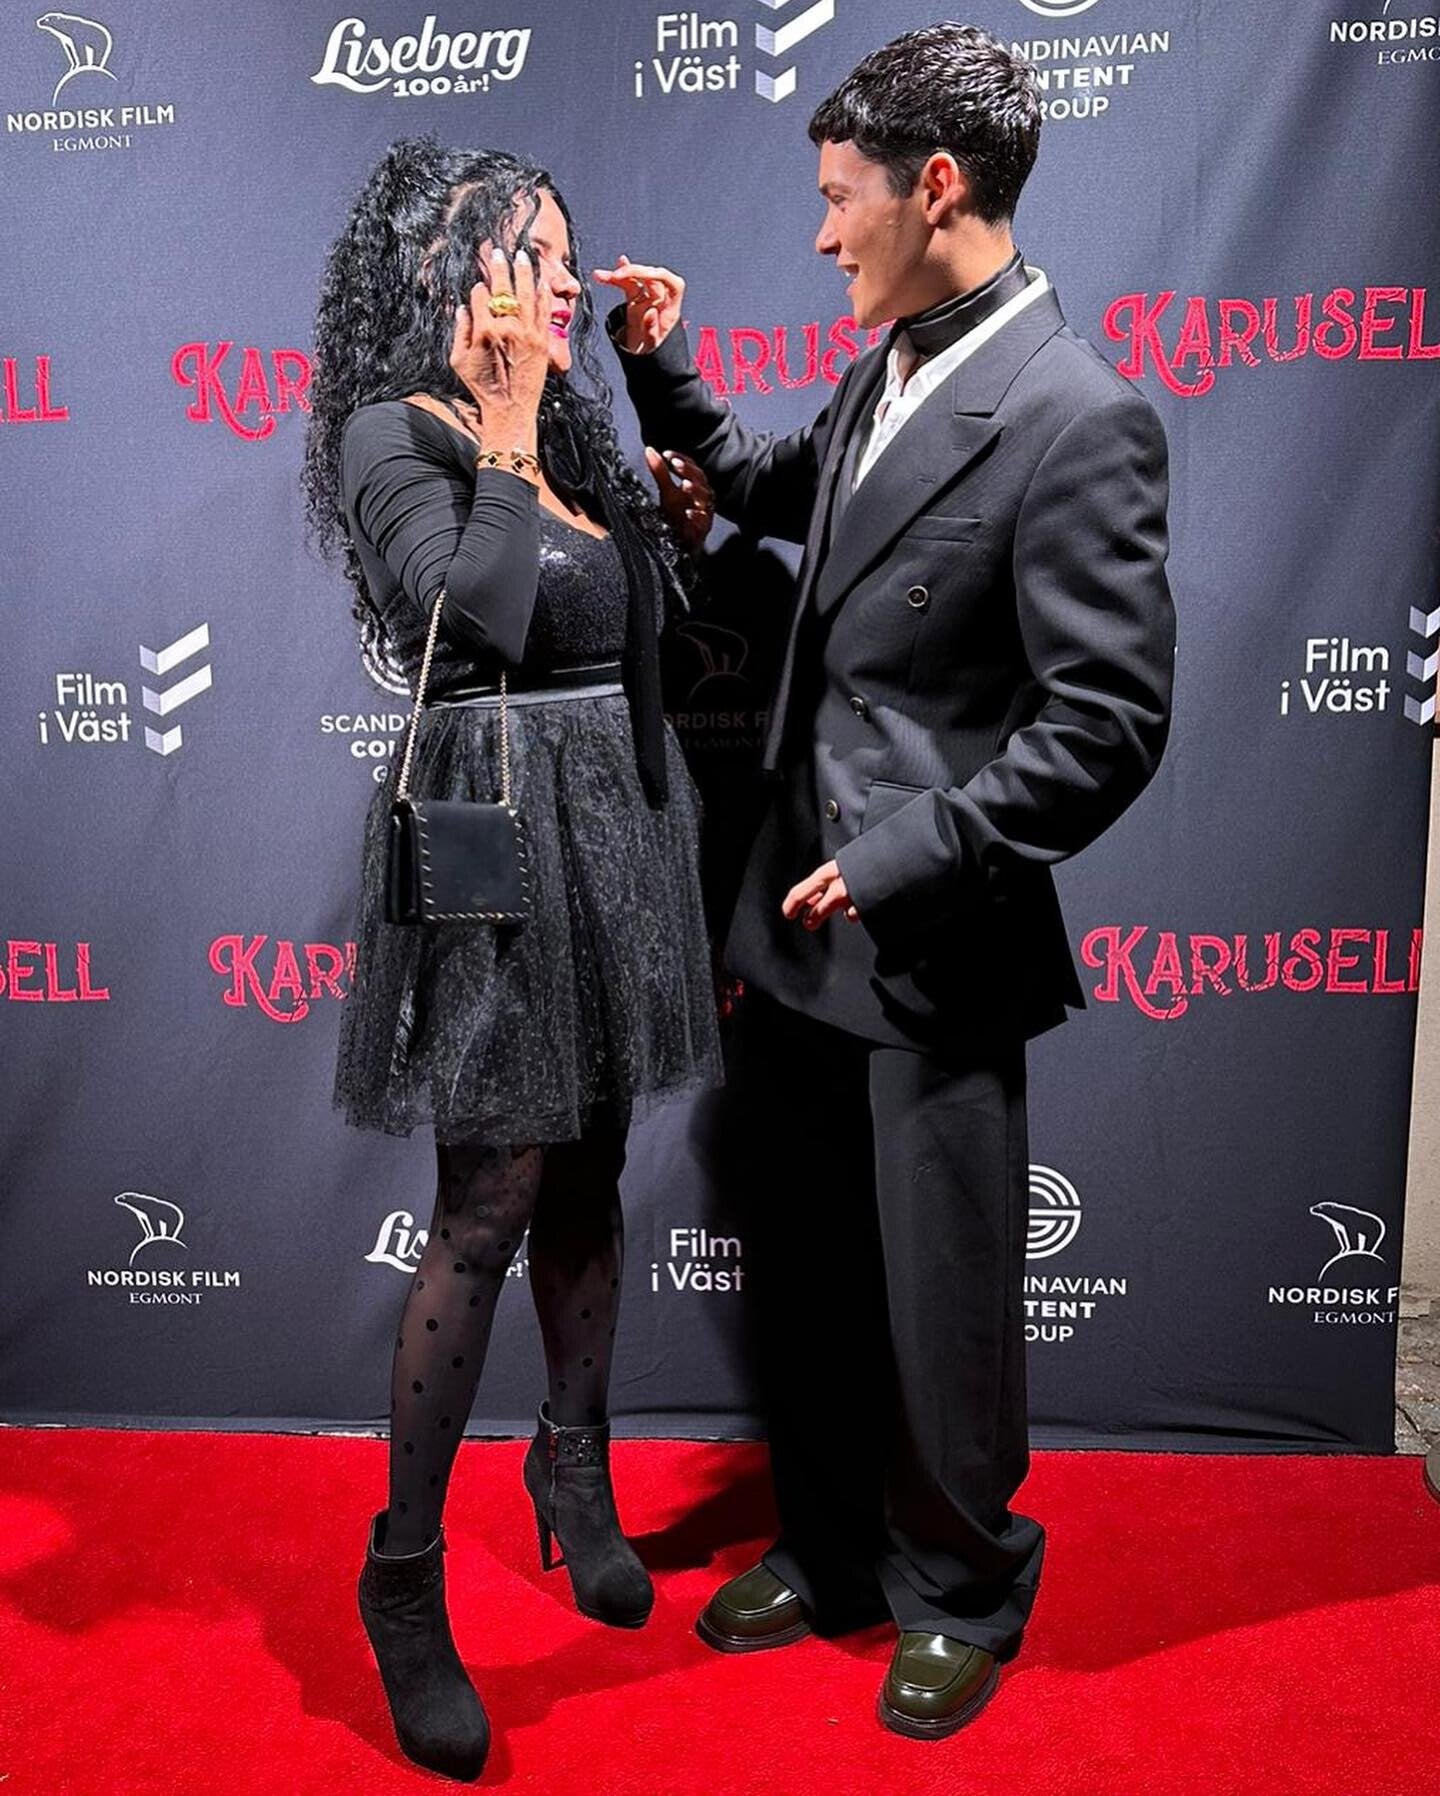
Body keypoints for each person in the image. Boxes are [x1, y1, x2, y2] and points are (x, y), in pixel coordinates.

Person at [597, 22, 1175, 1740]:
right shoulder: (890, 365)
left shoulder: (1080, 416)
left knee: (939, 1296)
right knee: (814, 1274)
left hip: (930, 934)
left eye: (841, 197)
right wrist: (663, 372)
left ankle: (962, 1585)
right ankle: (835, 1550)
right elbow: (777, 488)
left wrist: (906, 856)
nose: (823, 232)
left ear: (936, 187)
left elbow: (1109, 725)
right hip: (791, 925)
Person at [301, 137, 722, 1781]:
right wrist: (495, 428)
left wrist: (649, 456)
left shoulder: (565, 432)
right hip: (494, 860)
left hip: (613, 845)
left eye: (564, 250)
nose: (560, 280)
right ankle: (402, 1581)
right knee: (488, 1203)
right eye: (527, 254)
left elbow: (630, 632)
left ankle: (574, 1465)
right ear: (442, 272)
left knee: (596, 1164)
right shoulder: (395, 432)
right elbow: (462, 616)